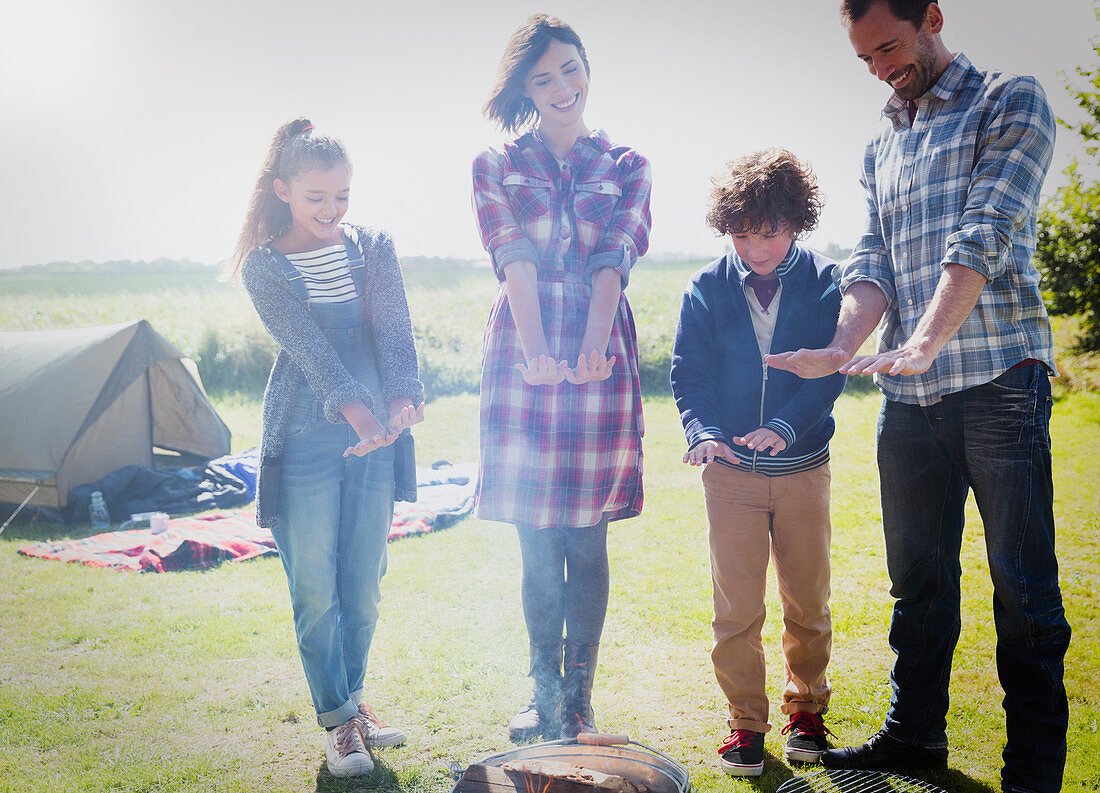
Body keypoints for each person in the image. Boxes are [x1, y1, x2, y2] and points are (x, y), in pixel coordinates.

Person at [765, 3, 1071, 791]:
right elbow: (871, 260)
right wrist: (840, 348)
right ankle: (915, 737)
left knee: (1023, 590)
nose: (879, 69)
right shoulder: (881, 139)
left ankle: (1032, 773)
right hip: (909, 399)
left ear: (932, 15)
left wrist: (926, 338)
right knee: (919, 583)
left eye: (890, 48)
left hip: (1000, 378)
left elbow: (985, 230)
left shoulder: (1010, 98)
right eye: (864, 57)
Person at [471, 14, 651, 742]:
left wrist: (591, 345)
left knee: (586, 539)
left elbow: (615, 254)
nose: (561, 87)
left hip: (599, 353)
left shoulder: (627, 162)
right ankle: (542, 690)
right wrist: (540, 351)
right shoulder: (495, 164)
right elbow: (511, 252)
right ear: (525, 87)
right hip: (523, 345)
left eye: (570, 69)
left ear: (587, 69)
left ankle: (579, 696)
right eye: (543, 77)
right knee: (536, 539)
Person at [228, 118, 425, 778]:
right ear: (282, 188)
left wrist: (402, 398)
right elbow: (311, 351)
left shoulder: (373, 246)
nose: (331, 210)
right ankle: (338, 725)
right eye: (316, 196)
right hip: (307, 438)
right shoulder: (264, 266)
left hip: (376, 437)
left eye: (342, 195)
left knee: (362, 586)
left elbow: (394, 330)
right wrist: (361, 414)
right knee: (317, 590)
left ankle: (352, 703)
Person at [671, 149, 844, 776]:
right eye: (742, 234)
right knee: (736, 607)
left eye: (768, 232)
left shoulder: (828, 282)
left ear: (796, 221)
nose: (756, 248)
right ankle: (745, 723)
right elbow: (690, 374)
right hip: (731, 480)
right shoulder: (706, 287)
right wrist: (703, 432)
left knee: (807, 600)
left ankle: (807, 712)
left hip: (802, 472)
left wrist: (784, 425)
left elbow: (831, 372)